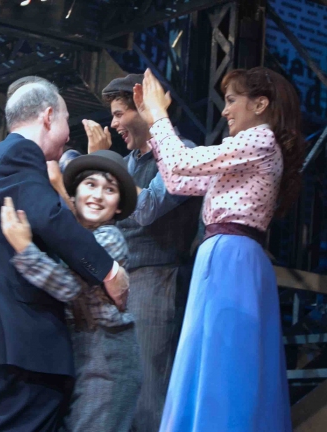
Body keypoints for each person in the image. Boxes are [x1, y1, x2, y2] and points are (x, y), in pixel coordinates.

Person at [0, 78, 130, 432]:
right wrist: (108, 271)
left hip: (1, 335)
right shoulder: (19, 154)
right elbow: (50, 217)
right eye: (65, 120)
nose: (67, 133)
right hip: (18, 336)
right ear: (48, 117)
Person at [135, 67, 304, 431]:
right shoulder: (246, 150)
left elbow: (181, 162)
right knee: (217, 354)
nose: (225, 111)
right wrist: (154, 121)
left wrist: (159, 115)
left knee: (224, 356)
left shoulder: (257, 139)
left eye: (231, 101)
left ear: (260, 104)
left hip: (232, 255)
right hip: (230, 254)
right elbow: (179, 178)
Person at [62, 73, 202, 432]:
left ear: (142, 108)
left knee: (146, 393)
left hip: (154, 282)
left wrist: (101, 164)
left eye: (120, 113)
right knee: (112, 390)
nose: (114, 123)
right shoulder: (125, 164)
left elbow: (147, 208)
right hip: (113, 289)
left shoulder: (179, 153)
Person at [0, 149, 141, 431]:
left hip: (109, 357)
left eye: (109, 190)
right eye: (90, 184)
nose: (98, 196)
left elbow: (68, 287)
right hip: (82, 353)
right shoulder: (73, 238)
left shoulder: (109, 239)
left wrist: (24, 249)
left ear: (118, 208)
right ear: (74, 194)